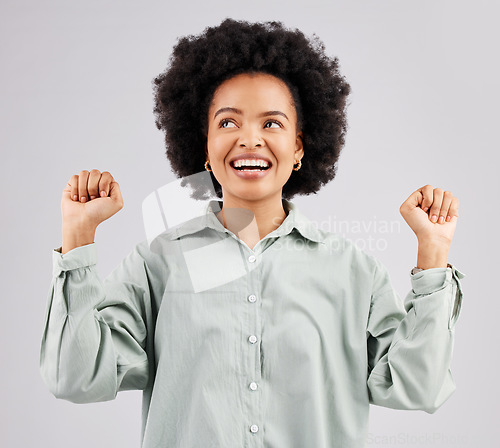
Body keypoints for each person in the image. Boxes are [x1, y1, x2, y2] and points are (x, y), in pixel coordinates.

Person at [39, 18, 465, 448]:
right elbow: (76, 378)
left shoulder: (353, 271)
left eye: (272, 123)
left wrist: (432, 251)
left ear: (299, 147)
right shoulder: (158, 264)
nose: (249, 140)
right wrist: (79, 237)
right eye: (227, 123)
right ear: (204, 146)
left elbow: (416, 388)